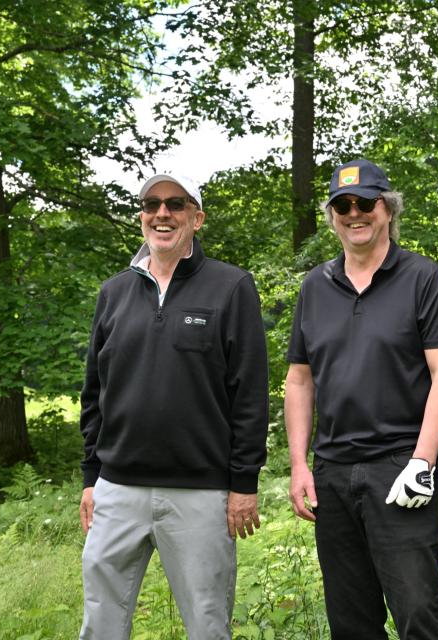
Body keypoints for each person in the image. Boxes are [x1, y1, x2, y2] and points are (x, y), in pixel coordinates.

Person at [78, 172, 269, 640]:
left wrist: (243, 483)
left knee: (207, 624)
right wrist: (90, 478)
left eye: (176, 204)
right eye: (151, 204)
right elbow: (94, 392)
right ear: (141, 216)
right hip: (117, 489)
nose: (162, 213)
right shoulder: (114, 293)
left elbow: (249, 393)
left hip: (200, 494)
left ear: (196, 218)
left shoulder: (231, 287)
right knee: (100, 623)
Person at [284, 159, 438, 640]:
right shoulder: (315, 287)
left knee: (419, 610)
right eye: (343, 205)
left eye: (366, 202)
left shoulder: (422, 278)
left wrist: (422, 462)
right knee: (351, 620)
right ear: (332, 215)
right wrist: (300, 465)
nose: (354, 213)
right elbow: (299, 380)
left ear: (387, 209)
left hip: (400, 467)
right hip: (333, 473)